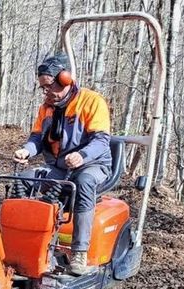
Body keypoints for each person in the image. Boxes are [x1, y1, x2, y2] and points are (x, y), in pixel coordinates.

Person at [13, 53, 112, 276]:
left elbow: (101, 140)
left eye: (49, 87)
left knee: (84, 182)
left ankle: (79, 253)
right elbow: (37, 138)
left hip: (92, 165)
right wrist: (26, 150)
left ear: (65, 80)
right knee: (24, 179)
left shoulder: (92, 101)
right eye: (43, 88)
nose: (46, 92)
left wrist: (82, 156)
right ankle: (19, 243)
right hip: (59, 167)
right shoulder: (46, 109)